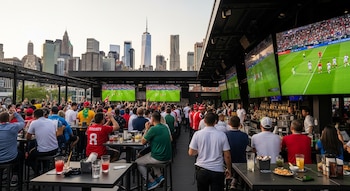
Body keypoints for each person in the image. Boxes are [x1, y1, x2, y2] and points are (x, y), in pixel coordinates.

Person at [189, 112, 231, 191]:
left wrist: (200, 150)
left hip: (202, 170)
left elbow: (191, 152)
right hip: (217, 170)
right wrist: (229, 169)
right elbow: (227, 155)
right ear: (216, 122)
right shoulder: (222, 135)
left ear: (204, 121)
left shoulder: (197, 134)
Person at [136, 111, 172, 190]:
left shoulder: (153, 129)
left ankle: (151, 181)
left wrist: (146, 129)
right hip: (167, 156)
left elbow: (142, 142)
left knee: (138, 162)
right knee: (150, 156)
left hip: (159, 157)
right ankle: (159, 176)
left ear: (152, 120)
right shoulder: (165, 127)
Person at [26, 109, 64, 174]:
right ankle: (45, 168)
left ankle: (37, 171)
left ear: (34, 116)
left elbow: (28, 137)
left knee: (29, 157)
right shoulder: (51, 121)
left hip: (43, 151)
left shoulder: (34, 123)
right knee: (42, 147)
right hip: (55, 149)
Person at [0, 107, 25, 186]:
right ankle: (15, 175)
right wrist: (15, 114)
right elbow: (22, 122)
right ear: (9, 118)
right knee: (21, 154)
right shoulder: (13, 127)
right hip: (10, 157)